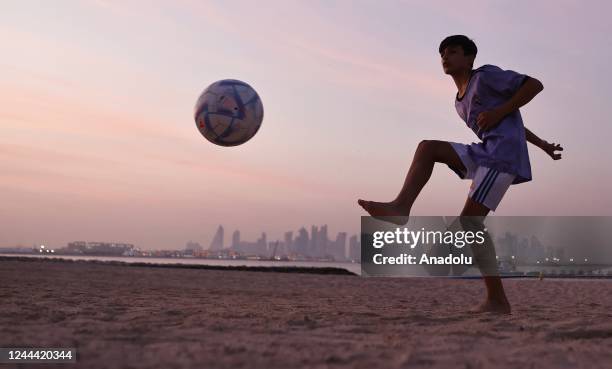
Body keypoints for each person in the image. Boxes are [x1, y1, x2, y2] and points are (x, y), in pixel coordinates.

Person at [357, 35, 563, 314]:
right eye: (442, 53)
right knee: (428, 149)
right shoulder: (459, 102)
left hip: (501, 156)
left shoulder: (485, 76)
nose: (445, 56)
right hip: (485, 151)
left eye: (452, 51)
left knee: (470, 223)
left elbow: (534, 85)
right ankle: (401, 206)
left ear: (469, 58)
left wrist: (500, 111)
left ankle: (496, 299)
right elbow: (511, 124)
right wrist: (542, 145)